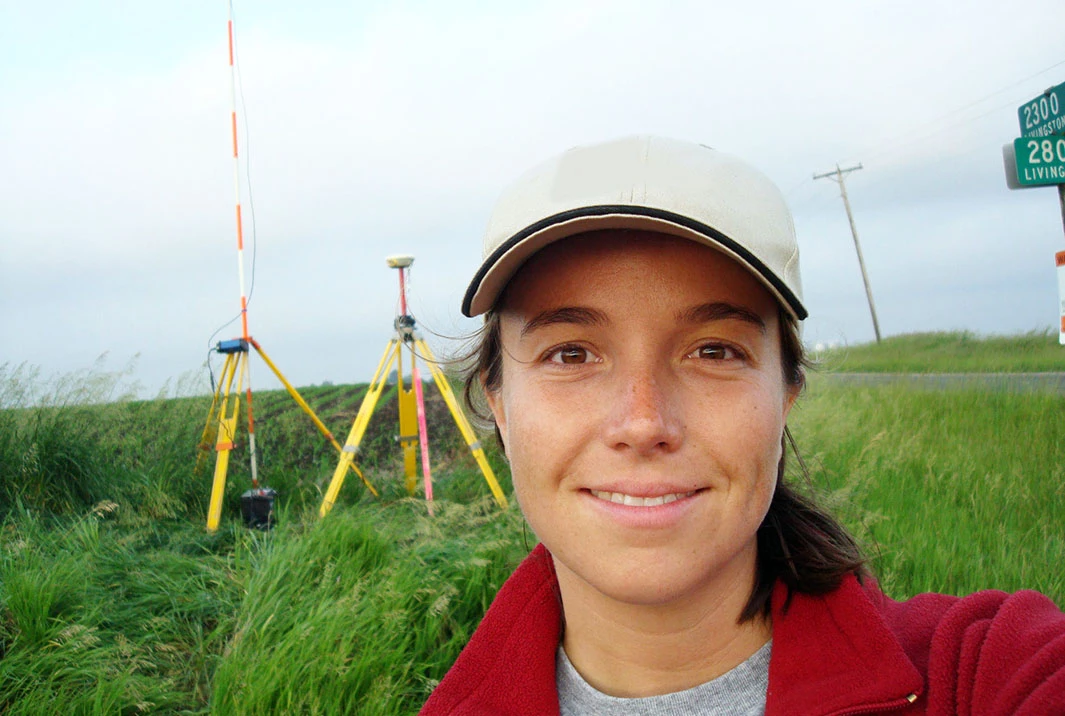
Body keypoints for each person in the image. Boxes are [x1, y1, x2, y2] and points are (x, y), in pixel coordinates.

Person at [420, 136, 1065, 715]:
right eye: (571, 354)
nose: (644, 423)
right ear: (497, 401)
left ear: (787, 391)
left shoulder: (983, 673)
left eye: (713, 351)